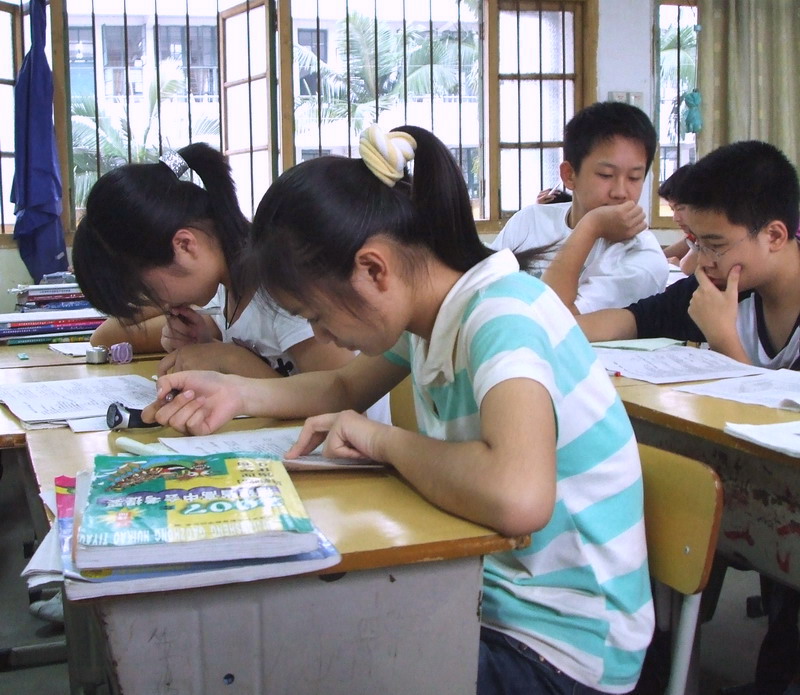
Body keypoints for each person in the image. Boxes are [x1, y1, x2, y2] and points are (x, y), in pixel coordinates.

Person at [143, 124, 654, 694]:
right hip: (489, 598)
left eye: (314, 313)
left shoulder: (503, 315)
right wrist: (235, 391)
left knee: (310, 663)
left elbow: (519, 497)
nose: (318, 331)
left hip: (562, 648)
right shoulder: (429, 315)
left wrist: (381, 441)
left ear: (373, 269)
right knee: (297, 635)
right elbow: (340, 389)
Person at [576, 140, 800, 695]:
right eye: (696, 242)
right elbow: (584, 327)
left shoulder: (723, 307)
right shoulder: (720, 287)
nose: (701, 261)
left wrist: (725, 341)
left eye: (716, 244)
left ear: (774, 235)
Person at [72, 143, 356, 380]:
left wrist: (229, 360)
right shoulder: (229, 285)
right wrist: (207, 344)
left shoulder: (280, 286)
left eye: (153, 293)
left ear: (185, 246)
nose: (162, 307)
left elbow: (341, 394)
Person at [490, 101, 669, 315]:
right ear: (569, 175)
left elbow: (554, 319)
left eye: (634, 178)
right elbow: (481, 290)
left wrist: (591, 227)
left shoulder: (643, 258)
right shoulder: (529, 221)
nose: (620, 192)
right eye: (606, 175)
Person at [658, 164, 697, 275]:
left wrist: (678, 265)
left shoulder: (711, 236)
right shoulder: (694, 236)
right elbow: (661, 256)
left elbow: (687, 267)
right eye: (672, 209)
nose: (675, 218)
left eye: (680, 208)